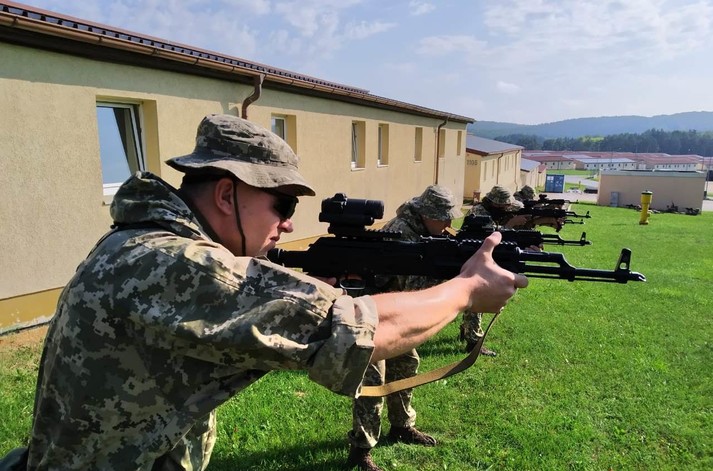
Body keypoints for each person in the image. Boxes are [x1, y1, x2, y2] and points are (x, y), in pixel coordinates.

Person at [2, 114, 526, 471]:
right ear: (226, 194)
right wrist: (466, 289)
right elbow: (361, 332)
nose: (288, 223)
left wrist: (307, 291)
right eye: (282, 204)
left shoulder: (139, 241)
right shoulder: (174, 264)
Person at [346, 185, 461, 471]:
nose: (448, 223)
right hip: (371, 313)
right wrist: (457, 279)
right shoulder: (403, 233)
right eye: (443, 217)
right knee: (373, 380)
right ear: (426, 214)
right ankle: (361, 450)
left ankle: (401, 426)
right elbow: (415, 288)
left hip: (393, 312)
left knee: (406, 363)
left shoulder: (421, 231)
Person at [460, 185, 528, 355]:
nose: (507, 210)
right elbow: (489, 239)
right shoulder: (480, 213)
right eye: (505, 206)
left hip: (475, 258)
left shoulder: (487, 211)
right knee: (477, 298)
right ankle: (473, 342)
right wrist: (511, 225)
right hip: (472, 260)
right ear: (496, 204)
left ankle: (466, 330)